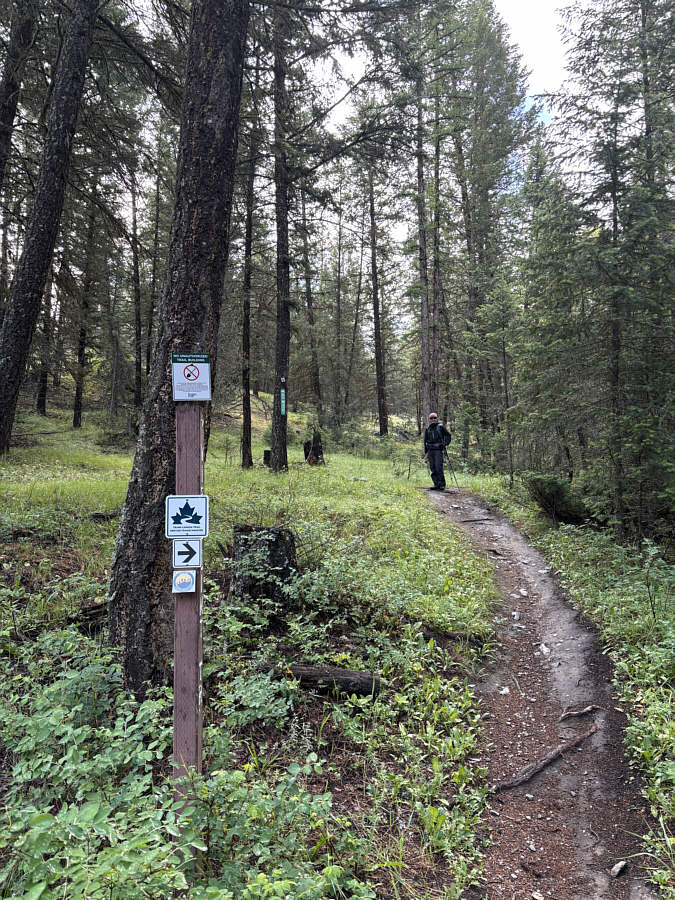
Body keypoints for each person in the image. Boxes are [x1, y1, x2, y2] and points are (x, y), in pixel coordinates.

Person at [423, 412, 451, 490]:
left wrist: (445, 444)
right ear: (429, 419)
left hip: (438, 451)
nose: (433, 419)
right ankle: (436, 484)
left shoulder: (440, 427)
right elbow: (425, 441)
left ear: (437, 418)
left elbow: (448, 435)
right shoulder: (427, 429)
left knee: (439, 467)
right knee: (432, 468)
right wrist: (426, 453)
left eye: (434, 418)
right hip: (430, 451)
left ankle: (442, 485)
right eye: (431, 418)